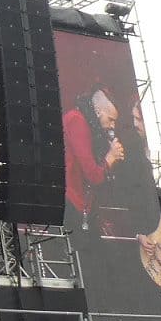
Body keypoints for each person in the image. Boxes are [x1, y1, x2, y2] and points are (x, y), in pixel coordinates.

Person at [63, 88, 127, 222]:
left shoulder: (88, 125)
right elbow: (93, 175)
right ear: (98, 112)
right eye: (110, 120)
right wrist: (110, 157)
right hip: (71, 201)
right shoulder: (77, 120)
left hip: (80, 203)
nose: (113, 126)